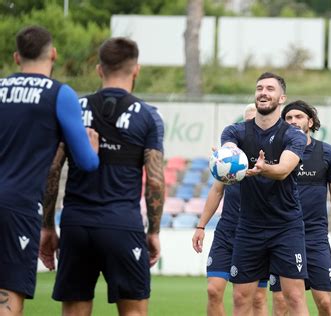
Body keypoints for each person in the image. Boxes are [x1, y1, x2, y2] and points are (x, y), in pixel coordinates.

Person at [39, 37, 165, 316]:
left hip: (76, 224)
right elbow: (155, 180)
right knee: (133, 311)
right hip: (122, 224)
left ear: (99, 70)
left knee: (74, 312)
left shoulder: (75, 109)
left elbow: (51, 169)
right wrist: (153, 231)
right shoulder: (148, 116)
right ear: (136, 70)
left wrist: (48, 225)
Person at [0, 25, 99, 315]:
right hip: (17, 206)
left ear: (17, 57)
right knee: (7, 291)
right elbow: (86, 162)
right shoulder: (59, 94)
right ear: (53, 54)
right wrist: (92, 149)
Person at [220, 72, 309, 316]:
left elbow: (283, 170)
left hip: (286, 226)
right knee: (240, 297)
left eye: (270, 89)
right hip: (248, 227)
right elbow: (228, 148)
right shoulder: (235, 131)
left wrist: (264, 168)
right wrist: (224, 158)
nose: (263, 92)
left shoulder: (293, 135)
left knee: (293, 296)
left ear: (282, 98)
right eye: (260, 88)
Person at [270, 100, 331, 316]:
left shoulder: (327, 152)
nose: (293, 121)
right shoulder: (276, 153)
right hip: (283, 237)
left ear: (310, 121)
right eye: (288, 118)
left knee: (324, 302)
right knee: (281, 304)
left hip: (315, 238)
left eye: (299, 117)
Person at [192, 103, 268, 316]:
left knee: (257, 297)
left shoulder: (271, 159)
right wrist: (200, 226)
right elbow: (216, 192)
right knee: (213, 290)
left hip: (256, 235)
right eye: (248, 123)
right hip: (227, 231)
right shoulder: (229, 162)